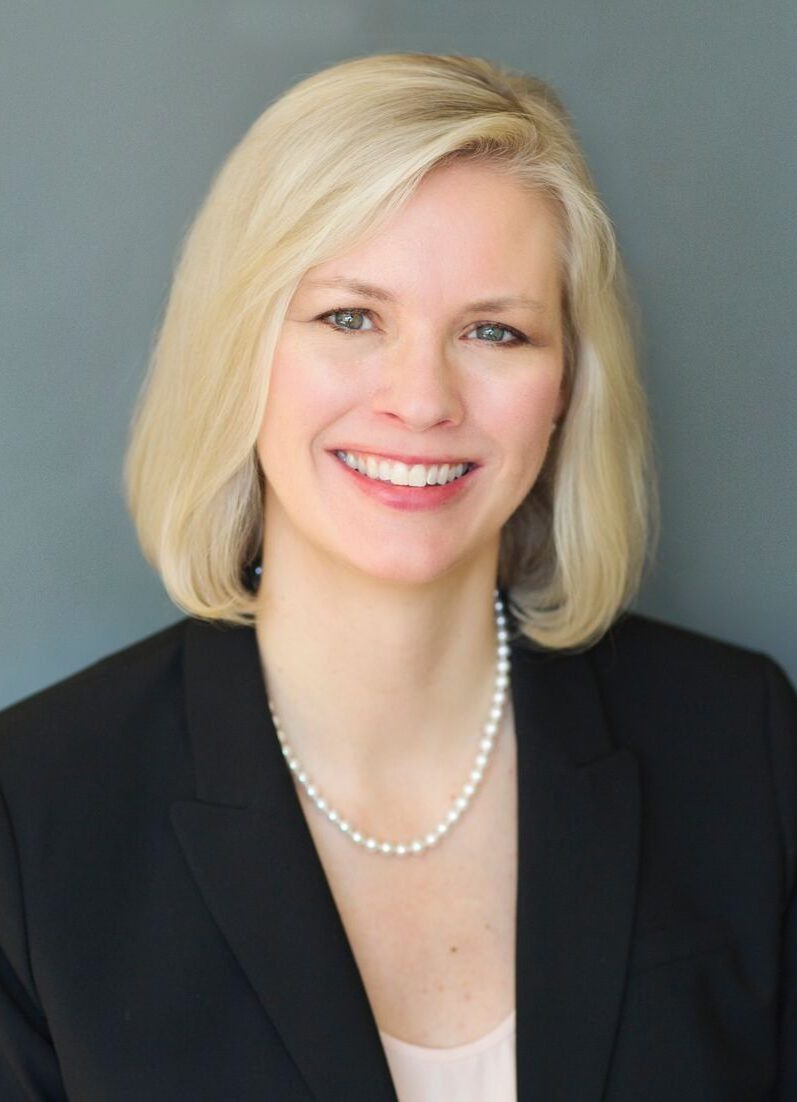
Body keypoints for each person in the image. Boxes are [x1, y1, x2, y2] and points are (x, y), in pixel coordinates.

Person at [0, 51, 794, 1102]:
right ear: (237, 347)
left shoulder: (741, 747)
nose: (420, 400)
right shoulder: (33, 808)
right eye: (349, 317)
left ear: (564, 389)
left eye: (493, 330)